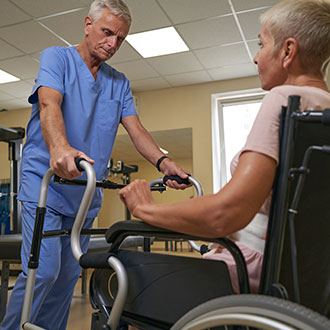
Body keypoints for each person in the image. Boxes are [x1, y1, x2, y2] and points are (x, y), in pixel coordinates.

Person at [1, 1, 190, 329]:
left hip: (85, 196)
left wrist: (163, 162)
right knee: (44, 271)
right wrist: (60, 148)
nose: (113, 44)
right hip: (45, 187)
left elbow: (136, 130)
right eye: (107, 33)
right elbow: (49, 103)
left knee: (67, 278)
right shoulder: (56, 58)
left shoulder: (119, 82)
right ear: (88, 24)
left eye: (120, 38)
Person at [120, 0, 330, 294]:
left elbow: (226, 213)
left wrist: (144, 209)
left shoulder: (284, 99)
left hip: (253, 272)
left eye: (261, 44)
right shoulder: (323, 110)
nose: (256, 58)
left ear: (287, 51)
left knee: (128, 285)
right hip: (305, 281)